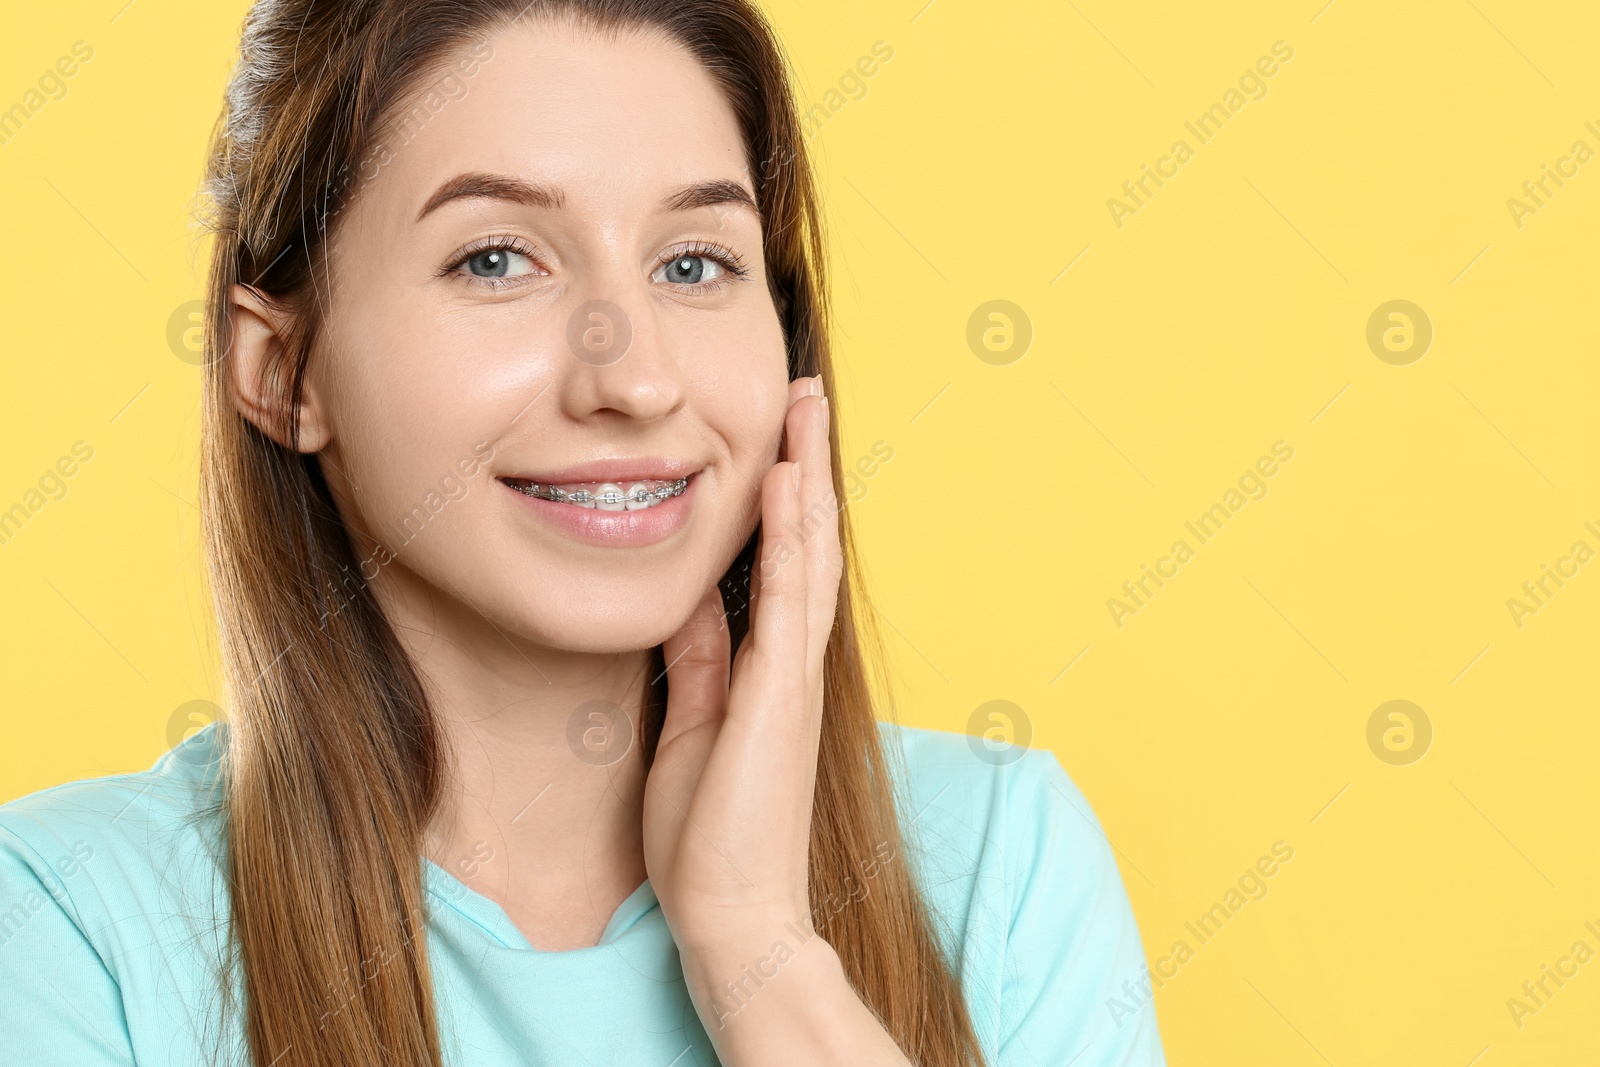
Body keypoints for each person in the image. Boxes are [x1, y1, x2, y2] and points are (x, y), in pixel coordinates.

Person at [0, 2, 1167, 1064]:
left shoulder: (999, 866)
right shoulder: (71, 924)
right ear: (280, 369)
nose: (637, 376)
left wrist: (760, 952)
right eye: (497, 258)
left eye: (694, 261)